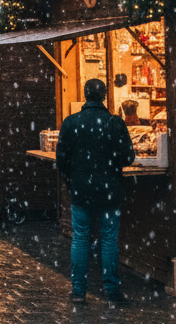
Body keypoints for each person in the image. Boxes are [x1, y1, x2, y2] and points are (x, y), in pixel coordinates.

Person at [56, 79, 135, 304]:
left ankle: (79, 291)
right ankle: (112, 291)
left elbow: (61, 159)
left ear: (85, 95)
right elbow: (128, 157)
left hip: (81, 190)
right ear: (103, 96)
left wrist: (71, 180)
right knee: (109, 240)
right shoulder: (115, 123)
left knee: (80, 237)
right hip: (109, 190)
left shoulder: (71, 123)